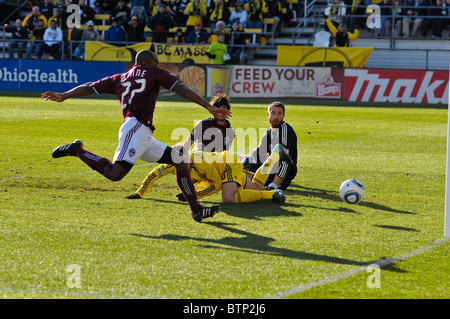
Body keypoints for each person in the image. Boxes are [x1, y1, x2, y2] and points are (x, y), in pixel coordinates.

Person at [42, 50, 231, 222]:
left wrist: (65, 95)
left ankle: (196, 210)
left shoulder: (120, 77)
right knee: (114, 173)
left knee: (180, 159)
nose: (158, 67)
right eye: (156, 64)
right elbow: (180, 87)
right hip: (135, 129)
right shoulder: (153, 72)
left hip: (142, 132)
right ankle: (77, 150)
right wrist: (208, 106)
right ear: (148, 63)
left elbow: (90, 87)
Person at [125, 93, 235, 200]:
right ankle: (192, 180)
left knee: (237, 170)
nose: (221, 112)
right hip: (197, 159)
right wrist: (182, 157)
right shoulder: (203, 124)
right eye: (219, 109)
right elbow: (188, 143)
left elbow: (225, 153)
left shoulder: (231, 132)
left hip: (214, 165)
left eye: (224, 109)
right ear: (213, 111)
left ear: (228, 111)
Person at [134, 149, 288, 205]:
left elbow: (217, 185)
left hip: (227, 164)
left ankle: (272, 194)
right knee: (256, 187)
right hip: (220, 170)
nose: (180, 167)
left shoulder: (201, 162)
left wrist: (193, 196)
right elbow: (154, 174)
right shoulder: (172, 165)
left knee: (228, 198)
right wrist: (139, 193)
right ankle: (275, 154)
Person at [243, 101, 297, 191]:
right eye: (273, 113)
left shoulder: (285, 131)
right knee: (247, 162)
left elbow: (286, 161)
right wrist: (246, 161)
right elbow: (259, 152)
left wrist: (275, 184)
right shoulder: (269, 131)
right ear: (268, 114)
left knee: (283, 158)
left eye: (279, 113)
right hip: (272, 168)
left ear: (283, 115)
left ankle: (273, 186)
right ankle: (254, 182)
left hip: (284, 172)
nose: (276, 117)